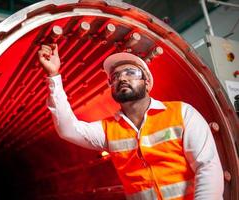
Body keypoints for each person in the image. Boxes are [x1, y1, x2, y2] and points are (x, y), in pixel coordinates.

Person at [38, 44, 224, 200]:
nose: (122, 78)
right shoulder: (109, 130)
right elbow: (68, 129)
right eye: (115, 76)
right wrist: (54, 76)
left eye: (131, 72)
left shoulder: (182, 113)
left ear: (147, 82)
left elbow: (207, 167)